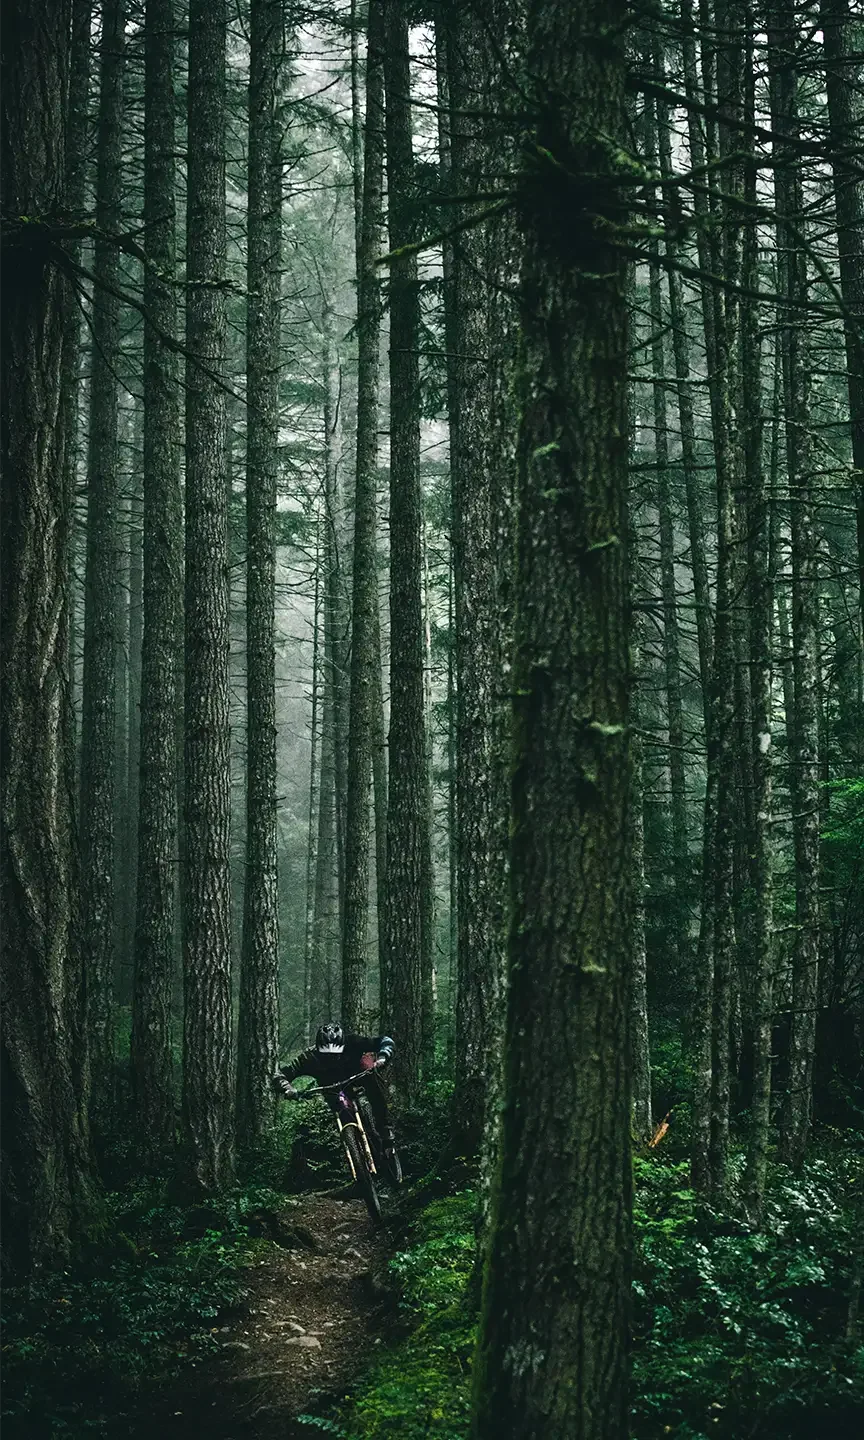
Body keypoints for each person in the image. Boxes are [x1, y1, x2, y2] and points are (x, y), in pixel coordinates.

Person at [273, 1021, 398, 1165]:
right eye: (326, 1056)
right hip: (332, 1089)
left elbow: (385, 1041)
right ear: (318, 1049)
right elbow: (280, 1075)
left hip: (358, 1078)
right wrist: (288, 1089)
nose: (332, 1059)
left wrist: (383, 1056)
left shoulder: (353, 1042)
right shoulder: (309, 1057)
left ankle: (385, 1129)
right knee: (343, 1114)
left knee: (372, 1081)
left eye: (335, 1055)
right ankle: (358, 1157)